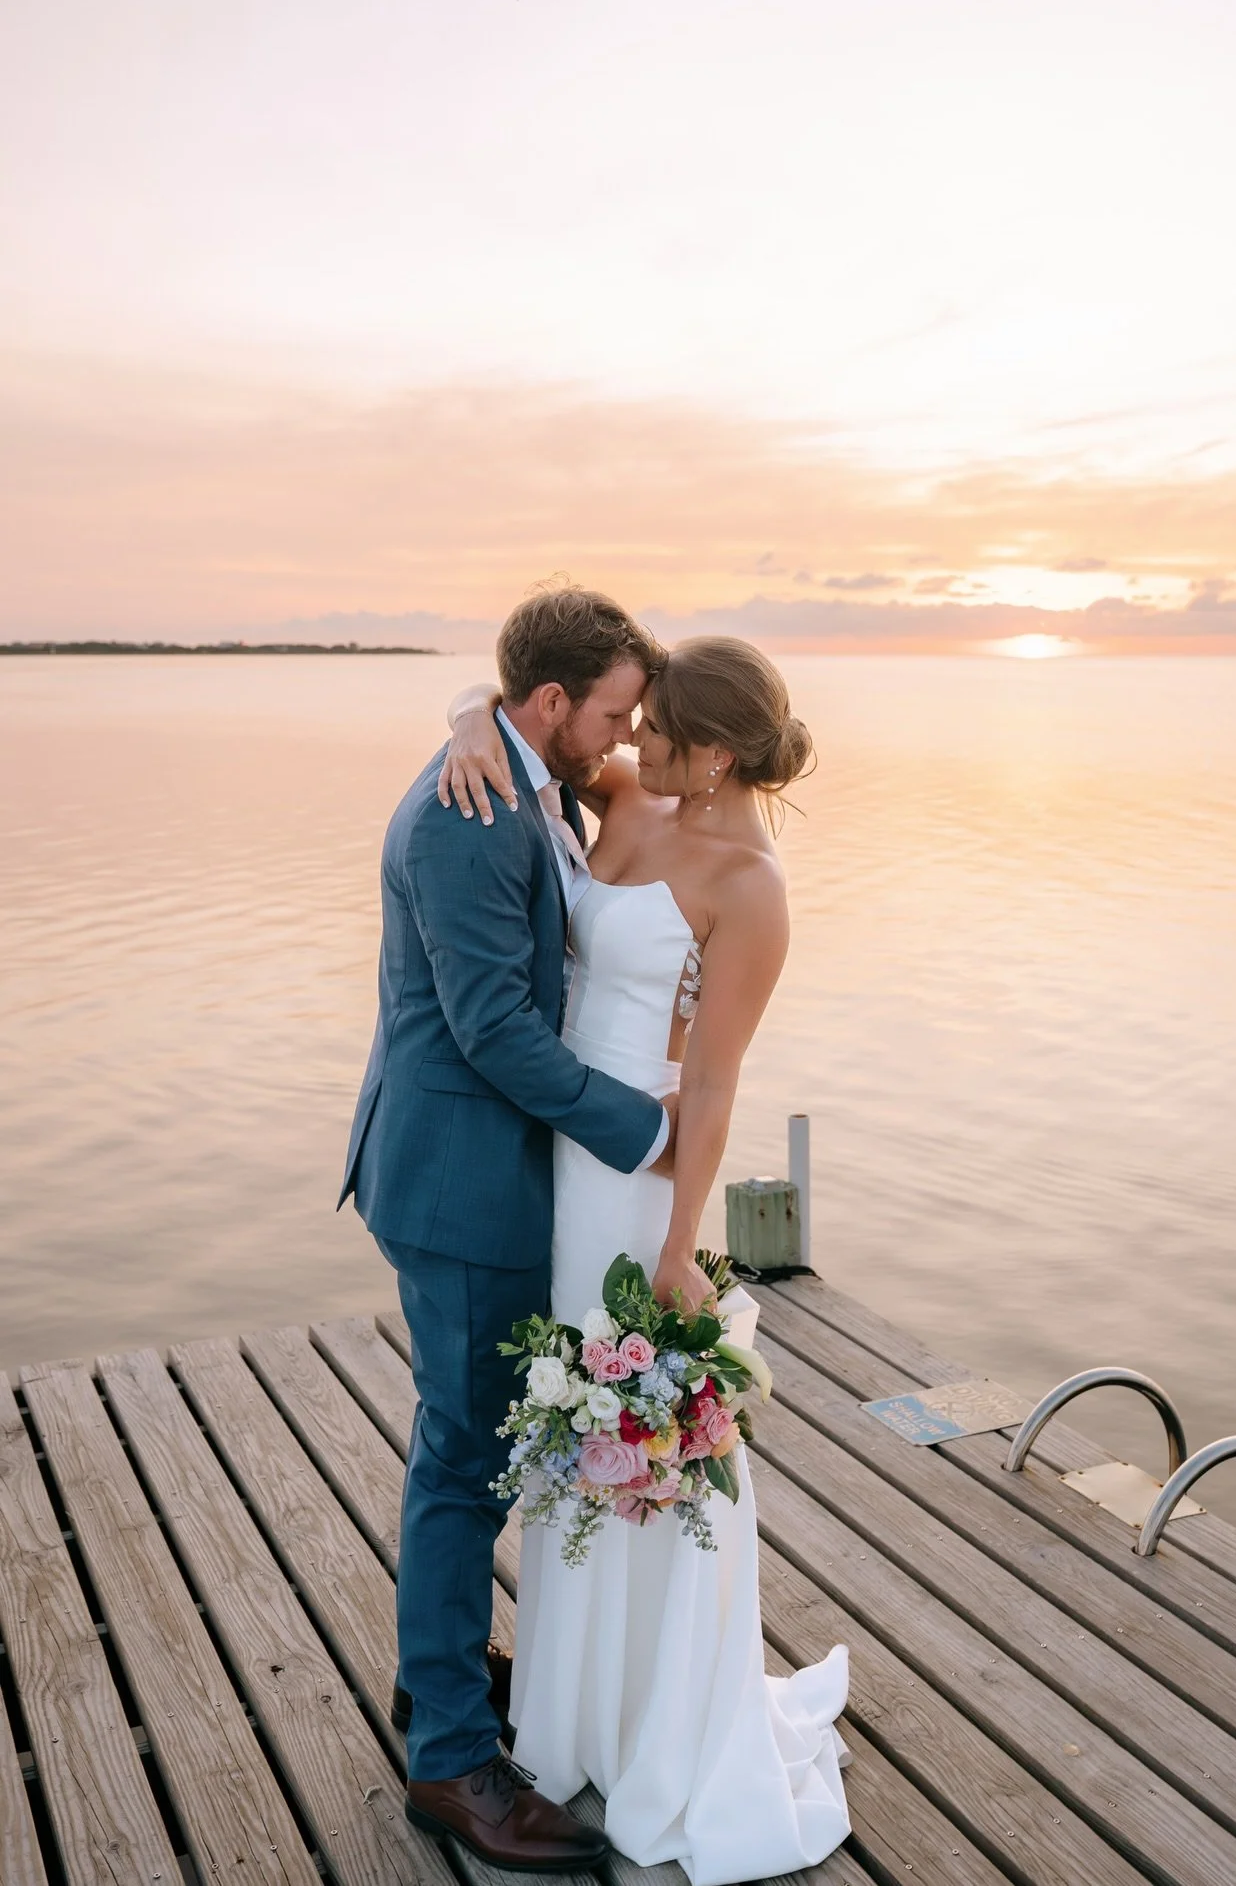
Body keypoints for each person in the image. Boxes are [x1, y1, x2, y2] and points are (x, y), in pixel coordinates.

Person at [438, 628, 850, 1885]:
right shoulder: (624, 792)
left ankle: (657, 1719)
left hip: (634, 1182)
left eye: (657, 729)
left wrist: (681, 1250)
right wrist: (466, 717)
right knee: (564, 1449)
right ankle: (569, 1708)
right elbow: (522, 725)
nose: (631, 743)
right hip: (556, 1151)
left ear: (715, 756)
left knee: (629, 1443)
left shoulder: (752, 888)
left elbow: (716, 1085)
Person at [339, 586, 682, 1872]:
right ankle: (447, 1758)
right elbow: (492, 1031)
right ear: (553, 705)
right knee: (465, 1454)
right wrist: (648, 1132)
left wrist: (468, 707)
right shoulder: (466, 815)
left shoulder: (523, 767)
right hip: (457, 1178)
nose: (626, 733)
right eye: (611, 711)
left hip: (481, 1168)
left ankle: (439, 1672)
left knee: (471, 1436)